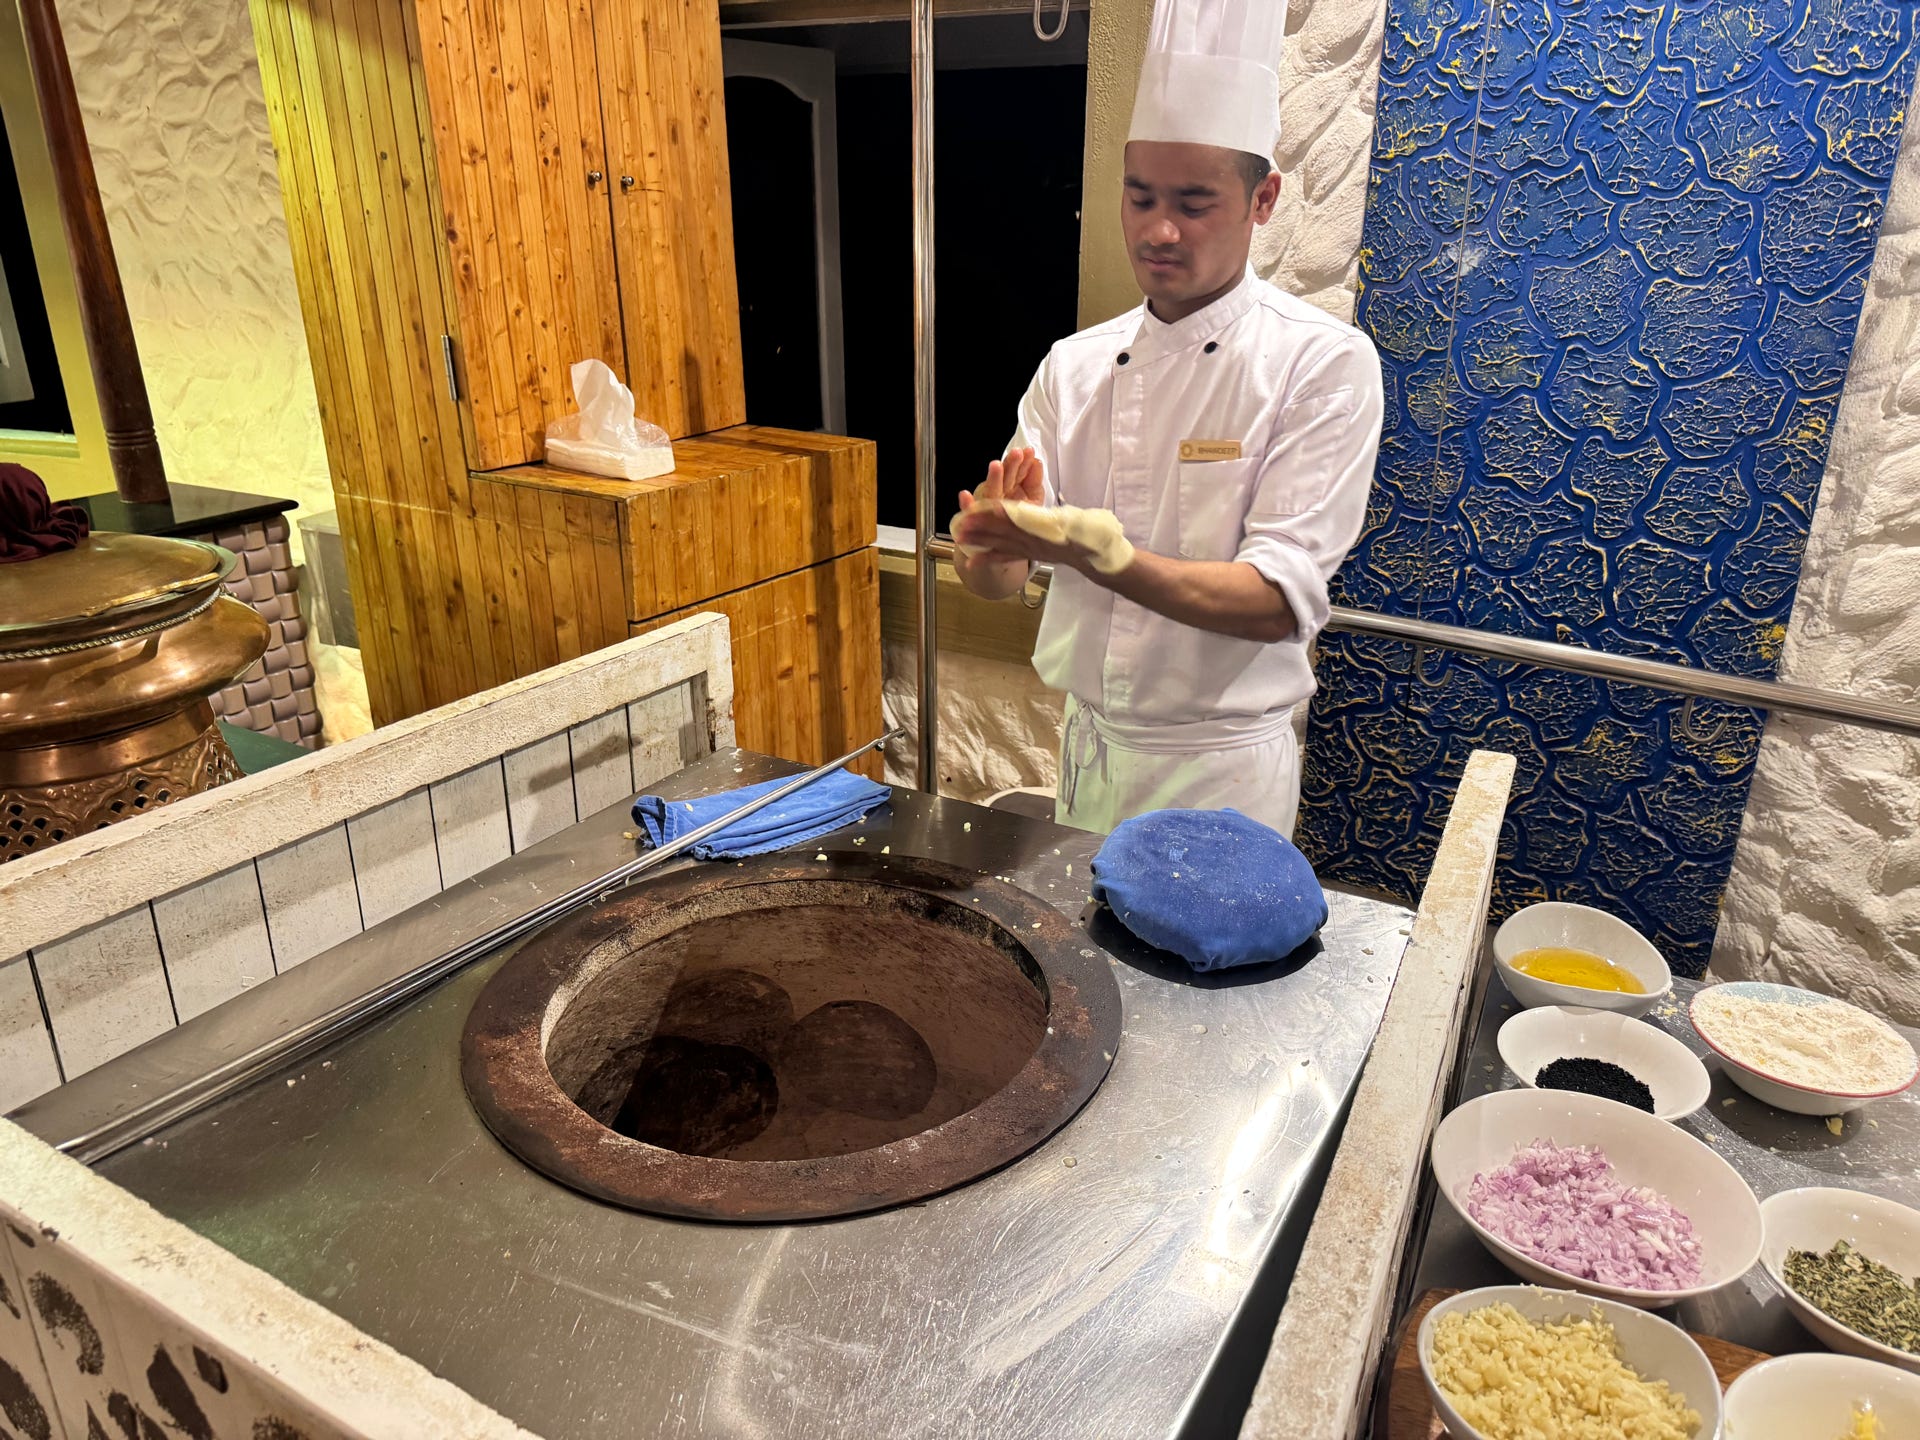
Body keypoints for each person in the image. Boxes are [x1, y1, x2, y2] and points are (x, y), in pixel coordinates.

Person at [950, 0, 1384, 840]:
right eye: (1140, 195)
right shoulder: (1074, 365)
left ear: (1263, 198)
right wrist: (990, 552)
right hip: (1088, 751)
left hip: (1221, 772)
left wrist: (1099, 553)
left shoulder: (1320, 362)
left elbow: (1275, 600)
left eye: (1194, 201)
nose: (1158, 229)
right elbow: (1002, 579)